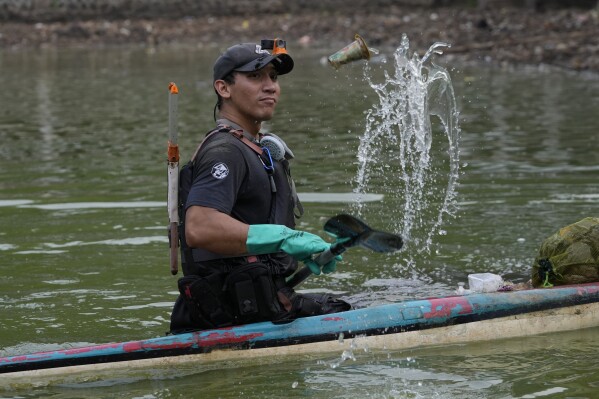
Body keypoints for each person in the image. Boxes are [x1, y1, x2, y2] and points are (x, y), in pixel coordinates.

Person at [169, 39, 351, 334]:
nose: (270, 87)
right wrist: (283, 237)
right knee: (355, 312)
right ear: (223, 88)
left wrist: (301, 253)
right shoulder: (225, 151)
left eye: (273, 77)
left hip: (263, 306)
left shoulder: (256, 147)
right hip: (231, 317)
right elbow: (200, 228)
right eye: (255, 77)